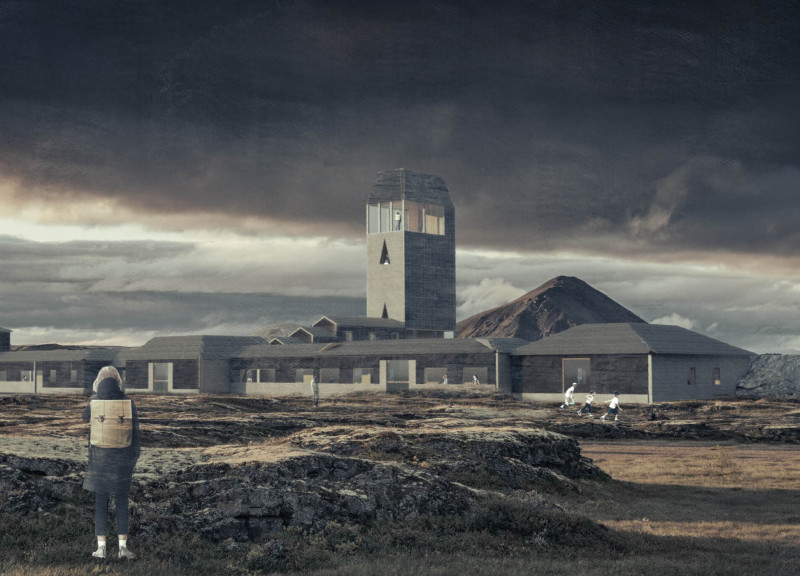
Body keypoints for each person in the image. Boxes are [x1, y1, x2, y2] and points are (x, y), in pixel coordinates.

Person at [82, 366, 140, 560]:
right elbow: (135, 433)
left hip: (100, 459)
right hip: (123, 459)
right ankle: (123, 548)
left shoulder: (94, 401)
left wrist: (93, 392)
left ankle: (101, 548)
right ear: (118, 381)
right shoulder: (128, 402)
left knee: (101, 502)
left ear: (99, 381)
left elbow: (85, 419)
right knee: (122, 501)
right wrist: (133, 458)